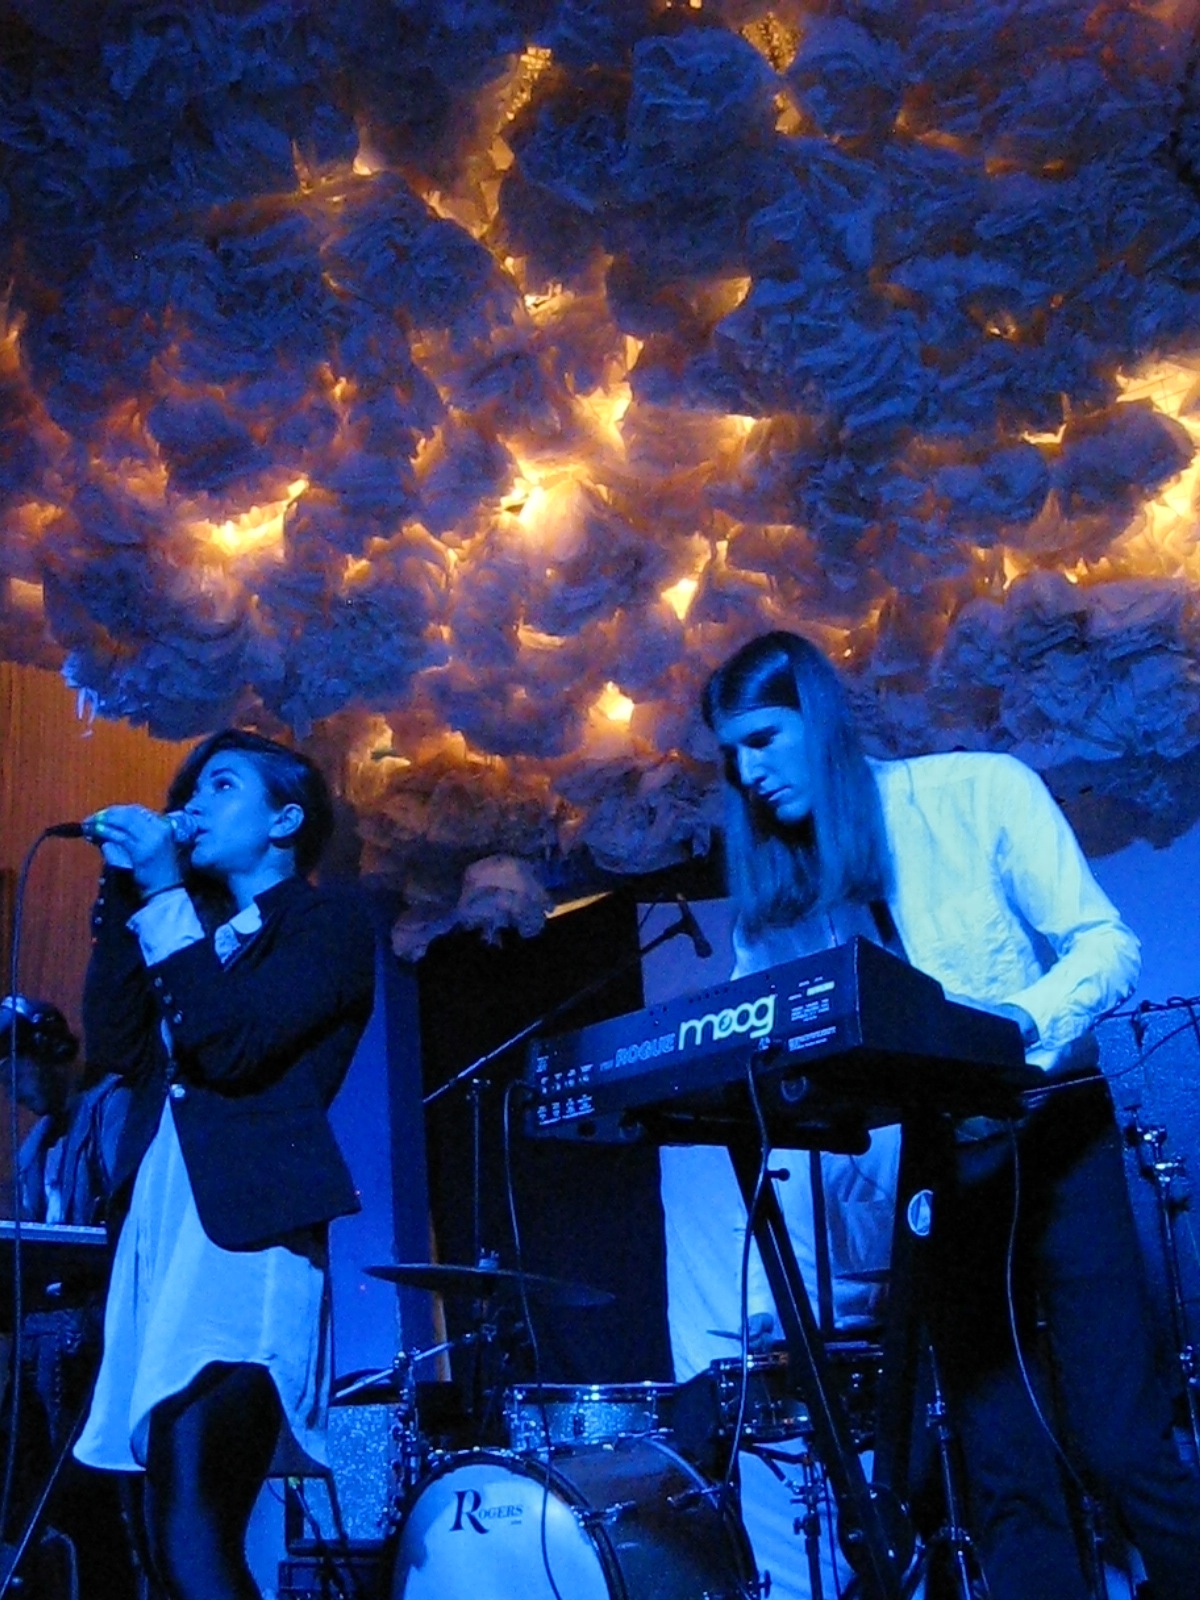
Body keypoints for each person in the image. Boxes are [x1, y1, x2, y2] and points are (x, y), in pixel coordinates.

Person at [664, 629, 1200, 1600]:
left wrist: (1012, 1025)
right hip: (939, 1171)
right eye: (732, 754)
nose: (748, 773)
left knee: (1123, 1443)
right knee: (1002, 1466)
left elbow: (1105, 944)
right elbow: (753, 1035)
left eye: (764, 739)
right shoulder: (779, 907)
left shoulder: (978, 792)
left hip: (1052, 1132)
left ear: (818, 718)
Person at [72, 729, 376, 1600]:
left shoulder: (325, 926)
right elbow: (116, 1042)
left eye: (223, 786)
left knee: (194, 1523)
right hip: (163, 1230)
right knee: (161, 1533)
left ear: (285, 820)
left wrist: (166, 893)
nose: (193, 804)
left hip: (245, 1239)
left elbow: (233, 1045)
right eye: (191, 789)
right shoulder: (194, 935)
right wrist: (127, 887)